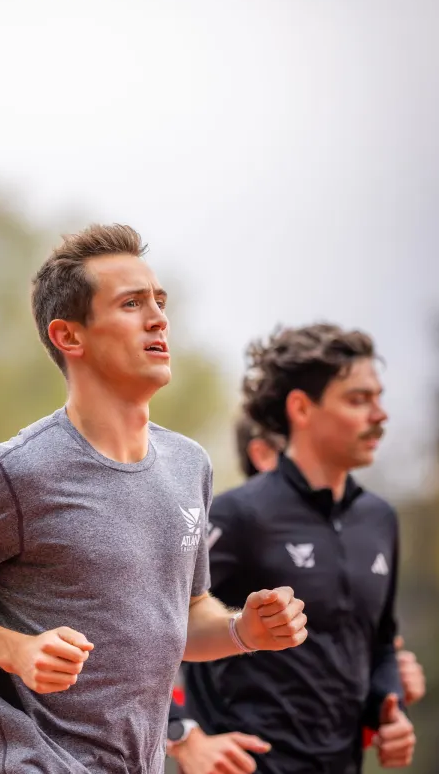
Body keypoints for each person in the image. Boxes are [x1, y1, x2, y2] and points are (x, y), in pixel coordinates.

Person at [0, 224, 308, 774]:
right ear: (69, 336)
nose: (158, 319)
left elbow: (184, 615)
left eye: (159, 302)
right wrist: (16, 650)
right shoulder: (14, 471)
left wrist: (242, 631)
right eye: (132, 304)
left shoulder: (188, 465)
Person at [174, 324, 417, 773]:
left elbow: (381, 645)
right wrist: (184, 736)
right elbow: (149, 626)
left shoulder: (380, 519)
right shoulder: (238, 515)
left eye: (378, 398)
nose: (380, 414)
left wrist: (391, 710)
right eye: (358, 399)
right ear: (302, 408)